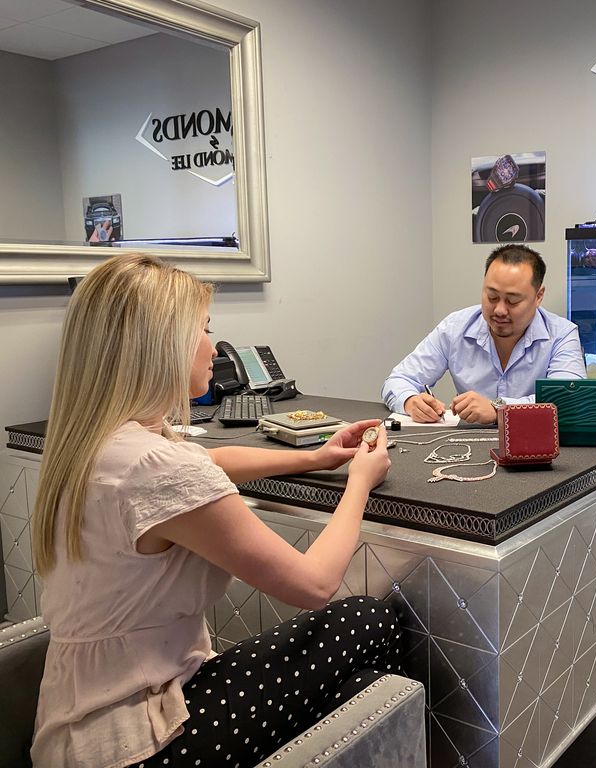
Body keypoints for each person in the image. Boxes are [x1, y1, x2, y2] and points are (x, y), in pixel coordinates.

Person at [30, 254, 397, 768]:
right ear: (162, 346)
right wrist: (359, 480)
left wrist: (314, 456)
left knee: (356, 685)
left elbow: (210, 459)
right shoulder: (158, 468)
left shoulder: (90, 443)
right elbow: (314, 586)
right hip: (139, 742)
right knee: (368, 619)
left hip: (71, 735)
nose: (214, 348)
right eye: (204, 329)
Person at [382, 244, 586, 423]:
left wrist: (499, 409)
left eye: (513, 301)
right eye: (492, 296)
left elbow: (569, 401)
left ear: (538, 296)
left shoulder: (562, 335)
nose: (499, 310)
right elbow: (398, 380)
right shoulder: (455, 328)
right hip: (463, 451)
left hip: (537, 452)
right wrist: (410, 401)